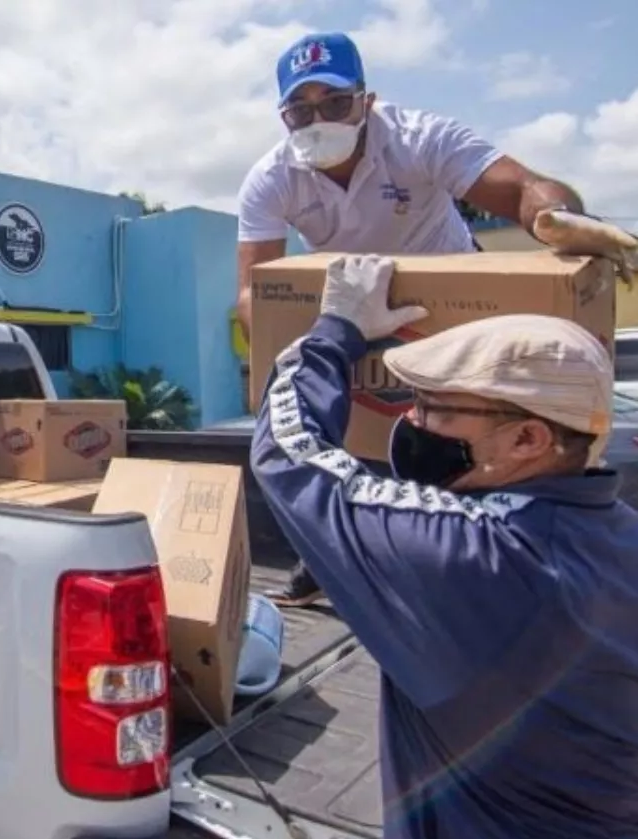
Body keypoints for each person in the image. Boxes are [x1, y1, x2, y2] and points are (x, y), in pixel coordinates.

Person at [234, 30, 638, 607]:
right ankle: (327, 556)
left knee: (460, 428)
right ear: (283, 115)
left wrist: (553, 216)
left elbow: (521, 187)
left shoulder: (419, 137)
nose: (317, 119)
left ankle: (481, 558)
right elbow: (253, 290)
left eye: (335, 103)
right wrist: (290, 341)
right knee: (350, 423)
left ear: (367, 100)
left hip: (450, 300)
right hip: (356, 299)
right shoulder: (271, 178)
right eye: (300, 109)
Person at [250, 253, 638, 838]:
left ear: (527, 438)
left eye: (435, 407)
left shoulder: (473, 557)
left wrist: (336, 330)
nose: (412, 419)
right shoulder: (616, 532)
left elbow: (289, 454)